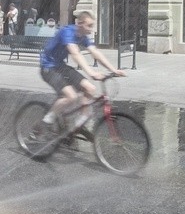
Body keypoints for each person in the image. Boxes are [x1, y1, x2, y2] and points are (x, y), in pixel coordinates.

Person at [39, 9, 124, 138]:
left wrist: (113, 70)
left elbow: (95, 53)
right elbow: (75, 53)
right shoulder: (67, 32)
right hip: (48, 67)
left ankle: (78, 125)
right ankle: (44, 123)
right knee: (71, 97)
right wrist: (91, 72)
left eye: (92, 26)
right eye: (89, 26)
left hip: (60, 66)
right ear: (79, 23)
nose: (91, 29)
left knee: (90, 89)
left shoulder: (82, 36)